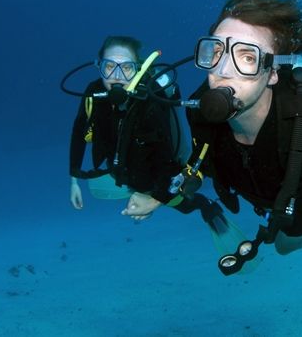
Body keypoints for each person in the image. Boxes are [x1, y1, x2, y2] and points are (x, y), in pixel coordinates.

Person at [186, 0, 302, 280]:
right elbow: (197, 161)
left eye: (246, 57)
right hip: (263, 197)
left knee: (287, 243)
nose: (222, 69)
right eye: (217, 51)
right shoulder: (197, 110)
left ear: (272, 73)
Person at [68, 35, 246, 250]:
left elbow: (165, 158)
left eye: (126, 68)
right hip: (122, 167)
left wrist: (153, 200)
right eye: (108, 67)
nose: (116, 76)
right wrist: (74, 179)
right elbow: (79, 131)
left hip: (157, 171)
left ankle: (205, 206)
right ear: (99, 67)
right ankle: (138, 189)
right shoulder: (93, 93)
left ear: (138, 69)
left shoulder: (151, 100)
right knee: (132, 184)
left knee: (182, 205)